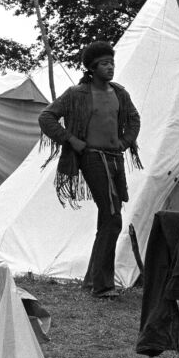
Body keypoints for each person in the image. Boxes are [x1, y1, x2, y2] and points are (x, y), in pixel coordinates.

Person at [39, 41, 141, 298]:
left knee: (108, 218)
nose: (111, 68)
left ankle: (92, 279)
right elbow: (46, 117)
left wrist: (125, 142)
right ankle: (103, 285)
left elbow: (134, 118)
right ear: (92, 69)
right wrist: (72, 141)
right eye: (105, 64)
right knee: (113, 217)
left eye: (112, 63)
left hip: (114, 158)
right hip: (92, 159)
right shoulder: (77, 94)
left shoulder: (119, 93)